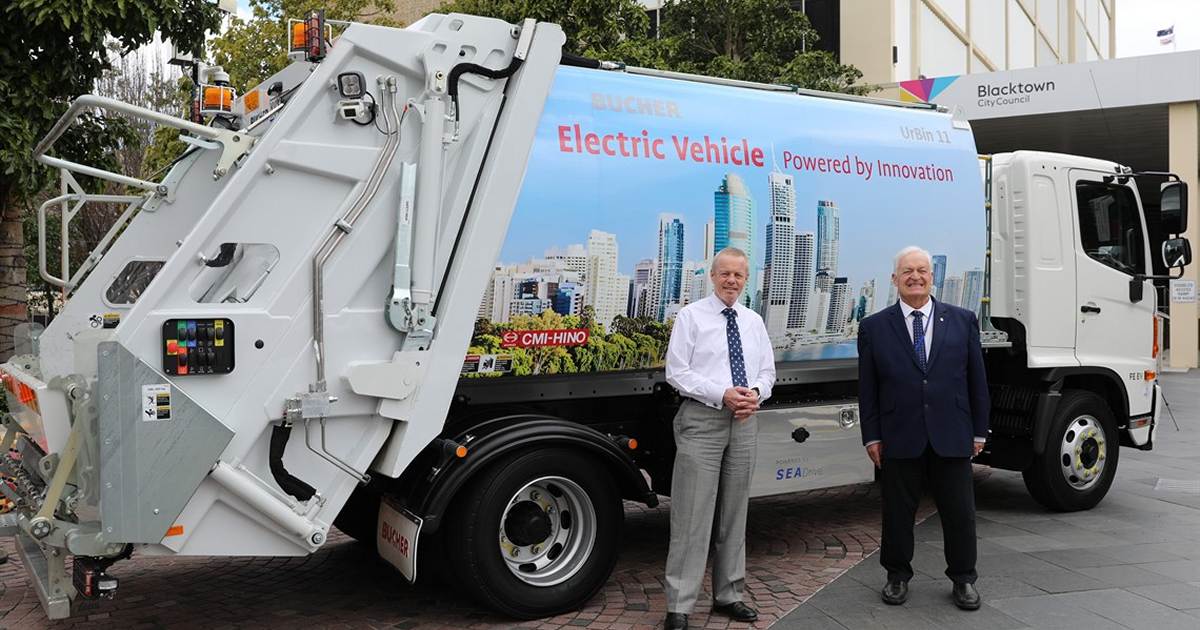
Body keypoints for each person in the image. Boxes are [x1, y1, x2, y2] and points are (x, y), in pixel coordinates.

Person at [857, 246, 989, 611]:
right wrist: (872, 434)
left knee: (960, 512)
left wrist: (979, 431)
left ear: (933, 277)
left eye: (922, 270)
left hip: (952, 431)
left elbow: (977, 380)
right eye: (907, 271)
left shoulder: (963, 320)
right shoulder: (874, 327)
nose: (915, 276)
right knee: (897, 512)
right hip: (900, 433)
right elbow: (867, 388)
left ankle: (964, 579)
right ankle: (896, 576)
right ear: (894, 279)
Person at [662, 247, 776, 630]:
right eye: (725, 274)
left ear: (746, 280)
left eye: (738, 275)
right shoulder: (691, 317)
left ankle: (729, 595)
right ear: (712, 276)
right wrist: (721, 393)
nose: (731, 281)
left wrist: (755, 393)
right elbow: (677, 372)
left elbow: (767, 371)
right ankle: (679, 605)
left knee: (734, 513)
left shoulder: (754, 321)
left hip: (744, 422)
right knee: (692, 515)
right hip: (703, 420)